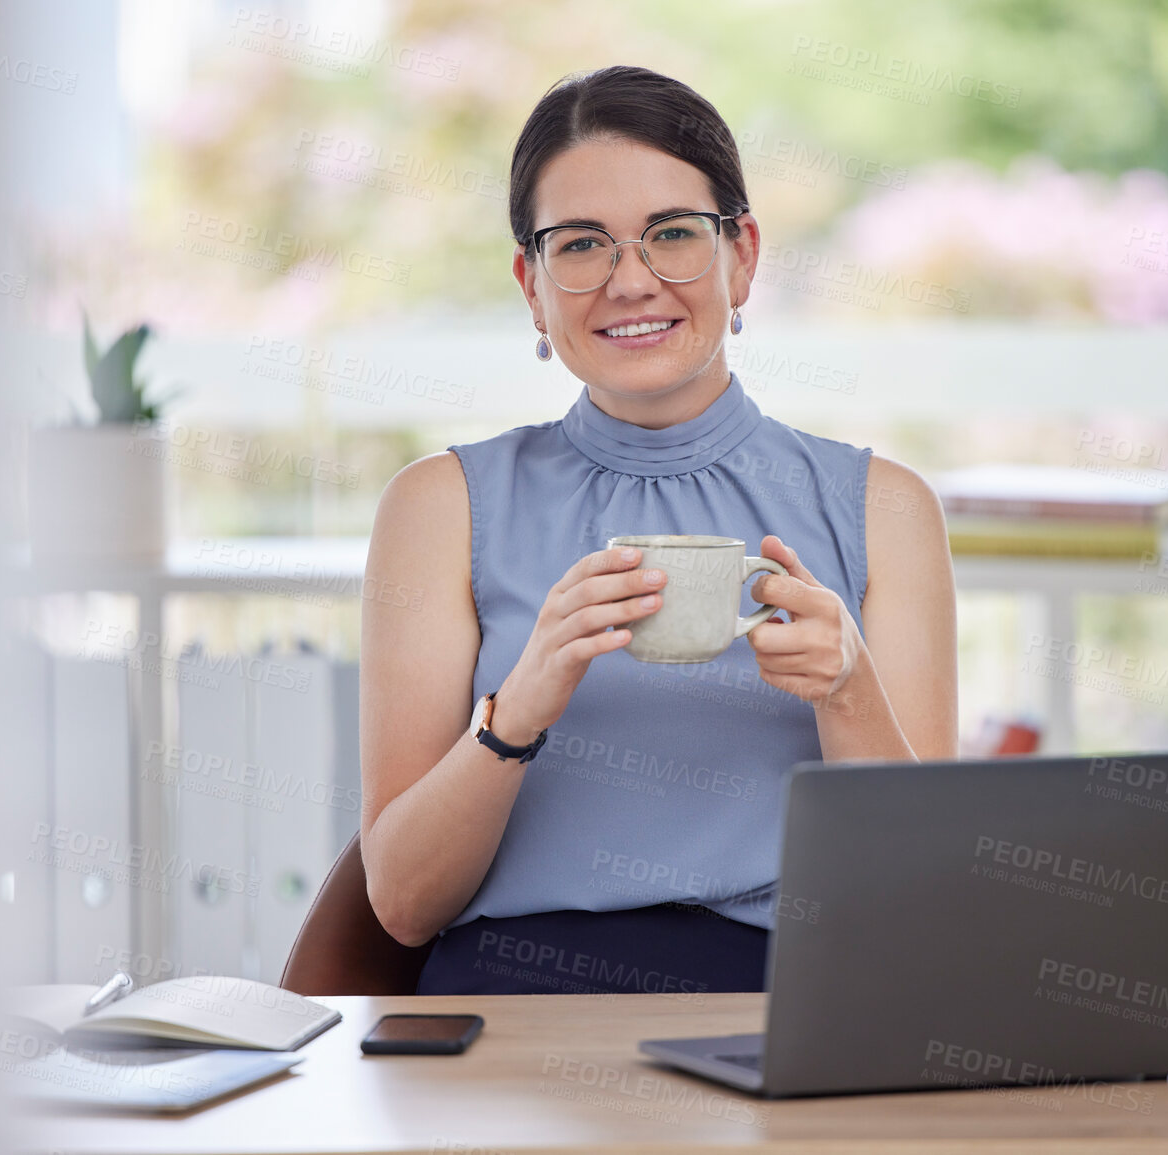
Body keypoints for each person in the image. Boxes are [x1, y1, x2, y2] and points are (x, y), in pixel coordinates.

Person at [359, 64, 957, 996]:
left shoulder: (884, 507)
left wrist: (847, 690)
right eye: (581, 245)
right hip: (514, 1018)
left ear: (743, 254)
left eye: (672, 234)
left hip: (793, 1008)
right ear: (531, 284)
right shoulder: (441, 506)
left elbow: (918, 905)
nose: (629, 281)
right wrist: (517, 712)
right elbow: (401, 903)